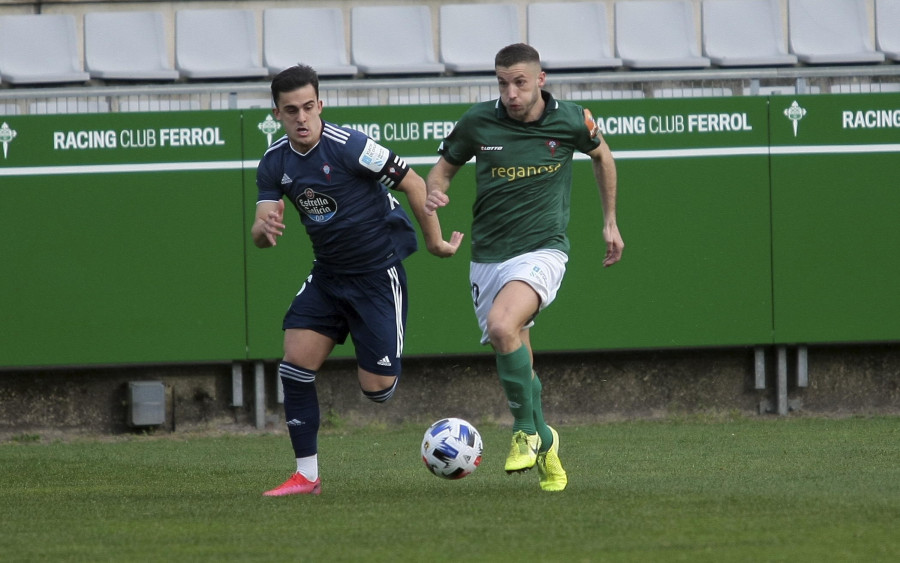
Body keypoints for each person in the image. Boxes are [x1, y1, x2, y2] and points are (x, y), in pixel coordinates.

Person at [254, 64, 462, 496]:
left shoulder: (350, 146)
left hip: (375, 277)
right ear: (277, 113)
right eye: (291, 110)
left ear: (320, 105)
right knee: (293, 368)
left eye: (309, 107)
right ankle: (306, 476)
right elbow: (260, 230)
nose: (302, 118)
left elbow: (414, 182)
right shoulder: (274, 161)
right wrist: (264, 233)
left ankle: (376, 348)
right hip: (328, 276)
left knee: (377, 393)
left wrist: (437, 242)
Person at [425, 44, 624, 492]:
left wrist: (609, 221)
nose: (510, 93)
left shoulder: (572, 119)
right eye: (502, 82)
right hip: (487, 258)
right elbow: (440, 172)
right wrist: (437, 193)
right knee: (515, 348)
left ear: (541, 79)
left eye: (519, 82)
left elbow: (602, 156)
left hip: (542, 251)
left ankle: (525, 432)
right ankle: (548, 441)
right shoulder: (478, 121)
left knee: (501, 325)